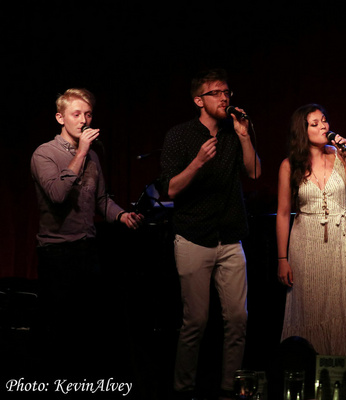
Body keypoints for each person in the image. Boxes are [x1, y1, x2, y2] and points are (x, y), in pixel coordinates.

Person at [159, 68, 261, 400]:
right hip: (193, 237)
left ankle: (229, 388)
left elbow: (255, 172)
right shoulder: (179, 135)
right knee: (196, 322)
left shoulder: (234, 132)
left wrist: (244, 136)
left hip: (230, 237)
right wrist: (197, 163)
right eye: (216, 93)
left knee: (237, 318)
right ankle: (183, 388)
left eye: (227, 92)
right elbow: (170, 189)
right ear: (198, 100)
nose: (225, 98)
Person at [30, 88, 144, 379]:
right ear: (60, 118)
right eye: (76, 114)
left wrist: (121, 214)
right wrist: (80, 152)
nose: (84, 120)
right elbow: (57, 194)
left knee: (88, 328)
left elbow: (101, 200)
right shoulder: (45, 153)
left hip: (87, 248)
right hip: (56, 252)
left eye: (88, 114)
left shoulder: (92, 156)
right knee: (59, 329)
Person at [276, 103, 346, 359]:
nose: (323, 127)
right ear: (302, 130)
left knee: (342, 308)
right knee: (311, 309)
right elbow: (283, 213)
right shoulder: (289, 165)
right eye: (314, 123)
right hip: (306, 242)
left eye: (324, 121)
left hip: (342, 241)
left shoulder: (339, 156)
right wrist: (282, 259)